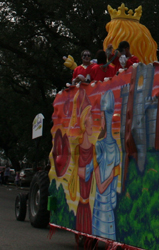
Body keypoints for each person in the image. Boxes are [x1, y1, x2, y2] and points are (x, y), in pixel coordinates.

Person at [93, 91, 120, 240]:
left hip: (104, 208)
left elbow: (105, 187)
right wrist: (112, 175)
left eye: (102, 117)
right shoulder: (110, 147)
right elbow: (103, 187)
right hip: (104, 207)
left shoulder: (102, 146)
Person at [69, 99, 95, 235]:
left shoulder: (94, 149)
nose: (93, 122)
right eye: (90, 116)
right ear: (84, 123)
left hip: (88, 206)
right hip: (82, 205)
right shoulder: (77, 150)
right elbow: (81, 173)